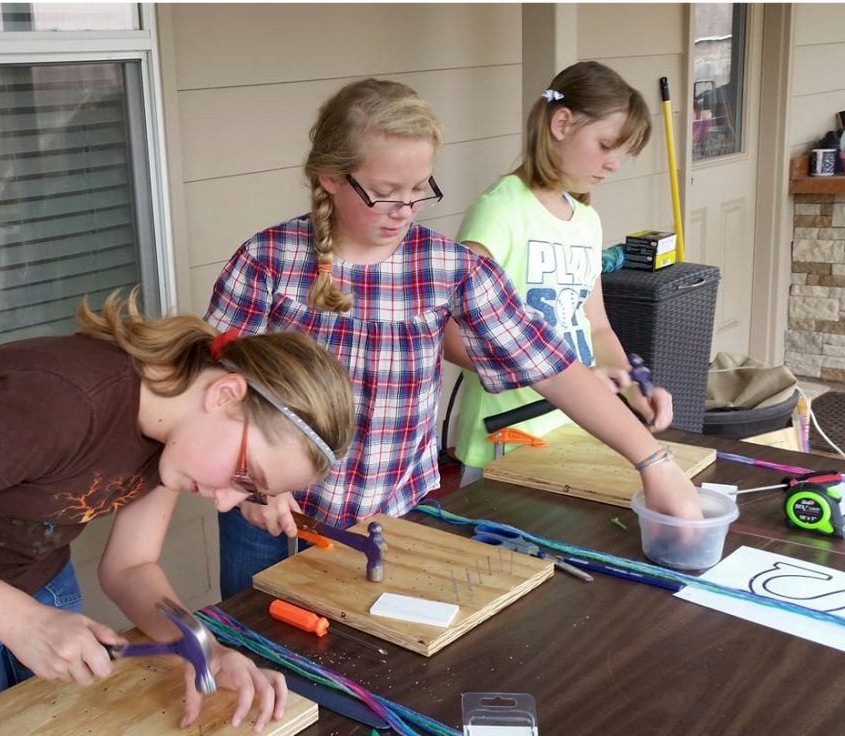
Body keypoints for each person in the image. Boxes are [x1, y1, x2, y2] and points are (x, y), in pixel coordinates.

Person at [205, 77, 702, 598]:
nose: (405, 209)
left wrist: (653, 462)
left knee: (359, 649)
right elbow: (214, 387)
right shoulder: (268, 261)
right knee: (254, 646)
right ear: (329, 177)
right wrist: (246, 483)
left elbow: (551, 367)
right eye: (385, 192)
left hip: (387, 510)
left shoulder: (447, 267)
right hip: (264, 505)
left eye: (419, 189)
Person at [0, 289, 355, 736]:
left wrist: (205, 649)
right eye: (245, 477)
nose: (224, 500)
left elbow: (130, 568)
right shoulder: (61, 401)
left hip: (39, 581)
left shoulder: (176, 439)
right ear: (226, 394)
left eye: (250, 494)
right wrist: (23, 622)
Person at [448, 61, 676, 478]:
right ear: (562, 123)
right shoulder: (499, 212)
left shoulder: (587, 221)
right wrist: (570, 377)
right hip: (508, 435)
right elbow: (453, 336)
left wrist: (631, 389)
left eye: (623, 153)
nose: (614, 164)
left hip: (575, 425)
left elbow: (598, 327)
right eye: (606, 145)